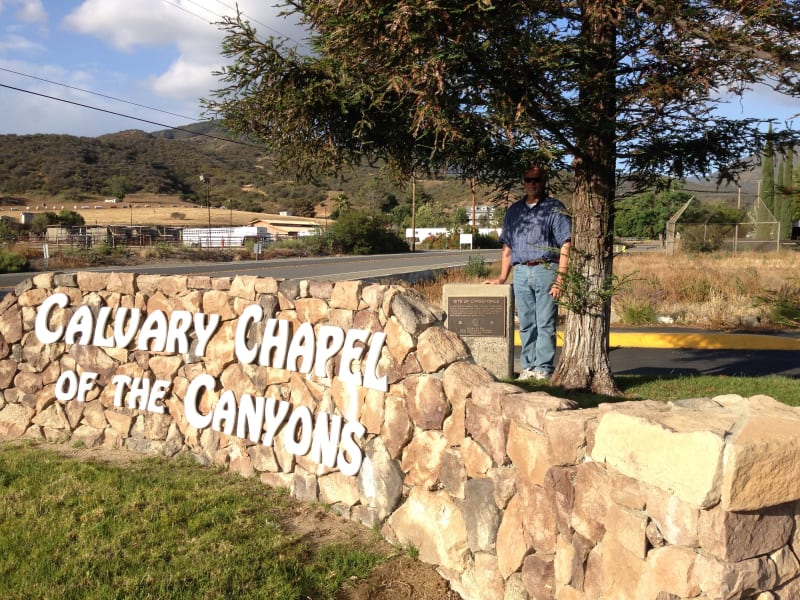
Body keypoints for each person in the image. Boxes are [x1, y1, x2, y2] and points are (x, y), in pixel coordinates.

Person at [485, 165, 572, 381]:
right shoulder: (514, 211)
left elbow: (566, 244)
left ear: (544, 182)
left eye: (537, 180)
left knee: (545, 322)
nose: (532, 183)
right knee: (525, 323)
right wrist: (502, 278)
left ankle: (544, 367)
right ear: (523, 182)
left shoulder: (554, 208)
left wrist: (560, 279)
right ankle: (528, 367)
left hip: (546, 269)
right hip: (521, 272)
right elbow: (507, 248)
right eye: (528, 179)